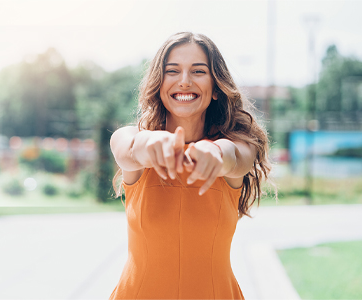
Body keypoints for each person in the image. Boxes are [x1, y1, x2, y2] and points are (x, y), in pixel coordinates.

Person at [109, 32, 272, 299]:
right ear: (159, 84)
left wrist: (214, 152)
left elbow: (234, 158)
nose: (184, 81)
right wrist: (152, 143)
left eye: (198, 71)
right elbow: (127, 150)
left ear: (217, 88)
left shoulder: (240, 145)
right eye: (172, 71)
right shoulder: (131, 137)